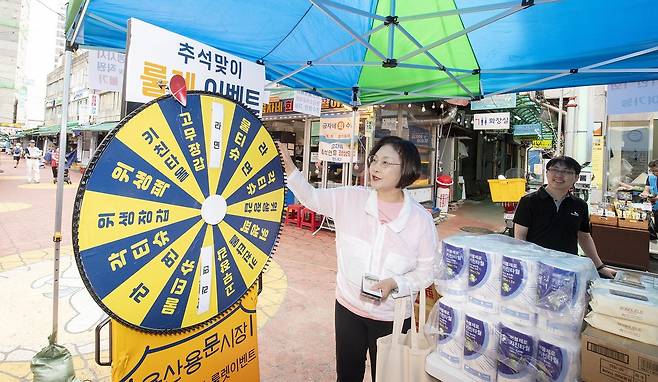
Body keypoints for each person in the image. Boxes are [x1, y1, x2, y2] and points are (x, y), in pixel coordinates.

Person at [278, 136, 437, 382]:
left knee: (387, 376)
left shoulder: (420, 220)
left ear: (406, 169)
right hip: (348, 308)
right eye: (374, 160)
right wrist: (290, 168)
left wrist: (396, 283)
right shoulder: (350, 198)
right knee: (348, 373)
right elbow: (311, 197)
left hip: (391, 318)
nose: (375, 167)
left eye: (386, 162)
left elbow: (427, 271)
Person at [513, 156, 616, 278]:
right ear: (547, 173)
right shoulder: (529, 201)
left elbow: (584, 236)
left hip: (567, 268)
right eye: (554, 170)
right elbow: (520, 238)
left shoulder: (580, 205)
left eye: (567, 171)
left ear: (576, 178)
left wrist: (600, 267)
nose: (559, 175)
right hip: (535, 268)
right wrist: (525, 268)